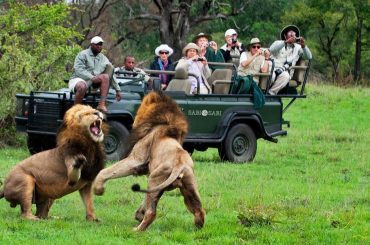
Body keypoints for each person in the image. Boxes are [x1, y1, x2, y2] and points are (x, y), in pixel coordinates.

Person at [69, 36, 121, 112]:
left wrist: (117, 89)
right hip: (78, 79)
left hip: (92, 81)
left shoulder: (103, 58)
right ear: (92, 45)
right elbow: (78, 70)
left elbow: (111, 72)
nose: (99, 47)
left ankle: (101, 105)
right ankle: (75, 110)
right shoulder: (83, 54)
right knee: (82, 86)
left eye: (101, 45)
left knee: (106, 76)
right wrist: (91, 77)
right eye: (97, 45)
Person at [269, 25, 312, 95]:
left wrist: (304, 46)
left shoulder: (298, 48)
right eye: (290, 33)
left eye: (294, 33)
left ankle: (270, 94)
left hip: (285, 72)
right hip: (273, 68)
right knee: (272, 76)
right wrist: (285, 42)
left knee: (286, 76)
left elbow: (309, 57)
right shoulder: (278, 43)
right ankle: (262, 92)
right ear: (285, 36)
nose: (292, 35)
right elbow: (272, 50)